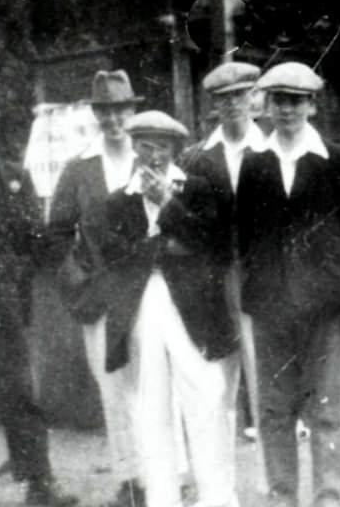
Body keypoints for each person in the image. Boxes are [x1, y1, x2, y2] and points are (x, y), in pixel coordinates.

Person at [96, 111, 237, 507]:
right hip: (142, 306)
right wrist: (166, 247)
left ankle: (218, 499)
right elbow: (114, 254)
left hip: (193, 308)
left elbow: (213, 246)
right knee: (149, 405)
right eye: (144, 144)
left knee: (206, 399)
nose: (152, 153)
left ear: (175, 149)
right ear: (134, 147)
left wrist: (168, 205)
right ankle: (162, 499)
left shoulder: (198, 189)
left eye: (161, 145)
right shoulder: (118, 199)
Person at [235, 62, 340, 507]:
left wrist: (339, 289)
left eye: (295, 100)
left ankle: (329, 497)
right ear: (266, 106)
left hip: (324, 307)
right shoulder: (254, 164)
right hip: (271, 308)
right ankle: (282, 496)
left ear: (312, 104)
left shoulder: (337, 159)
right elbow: (246, 235)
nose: (286, 109)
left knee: (326, 409)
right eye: (278, 100)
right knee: (274, 411)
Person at [0, 102, 77, 506]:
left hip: (3, 292)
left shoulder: (14, 177)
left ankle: (39, 481)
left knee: (18, 386)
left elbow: (33, 235)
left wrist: (17, 269)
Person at [47, 70, 143, 507]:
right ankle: (129, 481)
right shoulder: (80, 167)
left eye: (120, 109)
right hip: (101, 293)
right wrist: (78, 283)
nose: (114, 119)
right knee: (113, 386)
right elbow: (56, 234)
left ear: (132, 111)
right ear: (96, 116)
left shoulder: (149, 156)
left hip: (150, 290)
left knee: (152, 384)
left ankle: (164, 474)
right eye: (105, 111)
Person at [179, 62, 265, 457]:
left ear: (253, 98)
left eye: (239, 95)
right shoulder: (195, 159)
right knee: (216, 382)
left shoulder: (274, 148)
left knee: (268, 378)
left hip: (267, 277)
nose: (232, 104)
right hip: (215, 279)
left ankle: (275, 485)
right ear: (213, 105)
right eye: (223, 98)